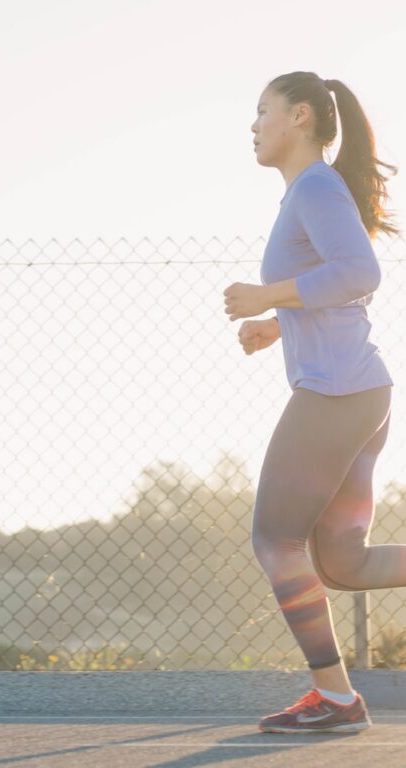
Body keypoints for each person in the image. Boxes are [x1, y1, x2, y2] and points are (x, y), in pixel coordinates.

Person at [223, 70, 402, 734]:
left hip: (338, 393)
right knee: (342, 562)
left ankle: (335, 699)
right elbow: (338, 286)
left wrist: (268, 297)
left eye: (262, 110)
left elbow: (361, 272)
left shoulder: (316, 188)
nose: (253, 124)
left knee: (275, 538)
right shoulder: (308, 192)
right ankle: (335, 700)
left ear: (299, 116)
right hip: (359, 390)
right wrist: (280, 326)